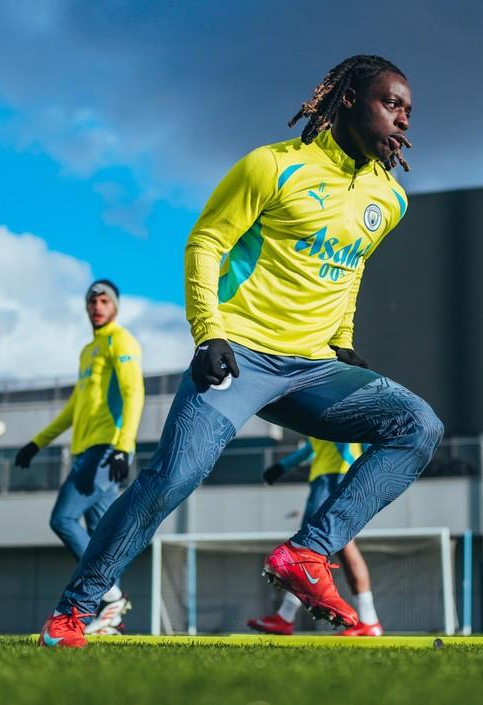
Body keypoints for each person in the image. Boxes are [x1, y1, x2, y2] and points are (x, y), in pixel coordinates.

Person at [40, 55, 442, 648]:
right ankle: (73, 612)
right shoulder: (271, 166)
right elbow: (206, 241)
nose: (404, 120)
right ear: (350, 99)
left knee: (418, 425)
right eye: (392, 104)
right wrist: (209, 332)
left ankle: (308, 552)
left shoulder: (390, 199)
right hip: (240, 354)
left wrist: (343, 342)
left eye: (409, 110)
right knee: (174, 478)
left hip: (314, 367)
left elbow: (350, 271)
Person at [15, 280, 145, 635]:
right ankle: (112, 616)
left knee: (63, 519)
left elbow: (135, 392)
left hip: (107, 451)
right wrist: (37, 443)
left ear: (115, 306)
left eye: (104, 301)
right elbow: (75, 405)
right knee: (102, 538)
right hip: (85, 450)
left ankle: (111, 597)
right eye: (93, 301)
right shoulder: (88, 350)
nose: (98, 306)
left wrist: (124, 445)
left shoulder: (122, 341)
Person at [248, 438, 383, 636]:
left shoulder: (339, 409)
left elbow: (361, 439)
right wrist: (282, 467)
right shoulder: (322, 418)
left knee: (309, 549)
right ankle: (367, 620)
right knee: (310, 550)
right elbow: (312, 447)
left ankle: (368, 621)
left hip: (337, 477)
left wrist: (372, 473)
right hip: (324, 480)